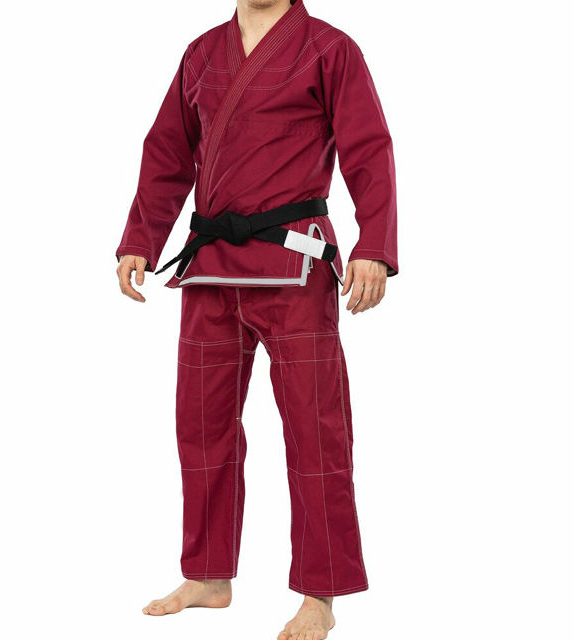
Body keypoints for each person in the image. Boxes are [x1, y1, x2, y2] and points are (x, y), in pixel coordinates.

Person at [115, 1, 398, 637]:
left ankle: (321, 593)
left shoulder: (330, 49)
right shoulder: (200, 53)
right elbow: (167, 152)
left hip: (293, 264)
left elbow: (369, 151)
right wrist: (140, 239)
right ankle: (208, 575)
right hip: (211, 264)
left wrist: (375, 246)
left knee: (316, 430)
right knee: (201, 422)